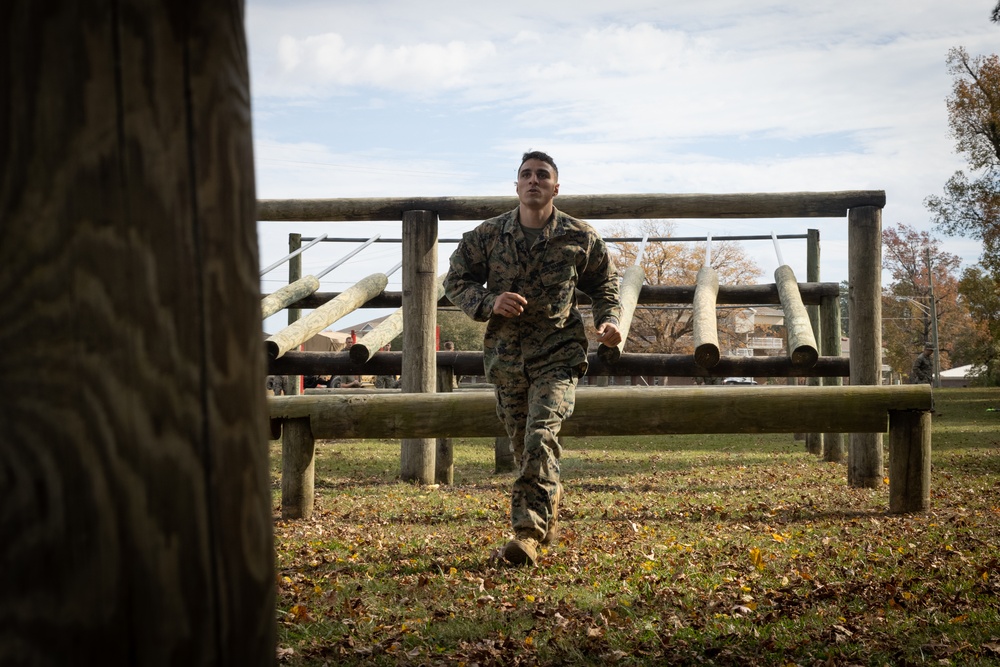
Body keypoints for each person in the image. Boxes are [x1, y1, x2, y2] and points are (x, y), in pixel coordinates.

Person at [445, 150, 622, 566]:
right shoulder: (487, 235)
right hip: (507, 359)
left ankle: (525, 534)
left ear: (556, 187)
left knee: (541, 435)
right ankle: (545, 522)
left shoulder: (580, 236)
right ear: (517, 185)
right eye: (526, 174)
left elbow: (606, 283)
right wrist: (489, 301)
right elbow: (456, 280)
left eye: (543, 175)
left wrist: (610, 321)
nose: (534, 180)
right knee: (526, 447)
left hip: (558, 355)